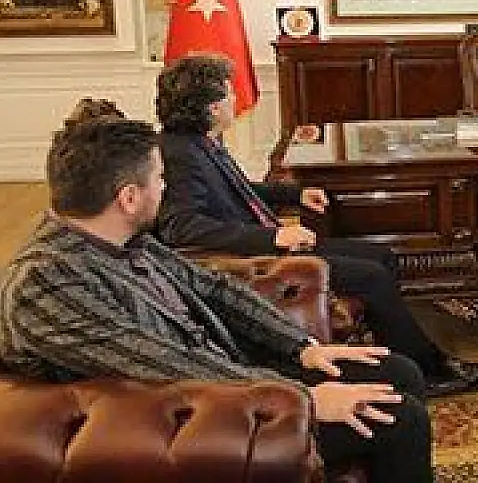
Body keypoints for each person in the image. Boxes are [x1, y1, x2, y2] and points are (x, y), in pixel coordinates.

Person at [0, 116, 435, 482]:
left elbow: (215, 288)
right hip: (185, 411)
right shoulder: (43, 282)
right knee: (402, 421)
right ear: (128, 198)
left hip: (225, 372)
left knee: (399, 371)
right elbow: (158, 362)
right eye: (160, 179)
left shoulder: (126, 239)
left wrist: (302, 347)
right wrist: (300, 398)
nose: (165, 188)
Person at [154, 54, 478, 397]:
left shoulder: (201, 142)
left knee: (382, 256)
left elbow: (241, 190)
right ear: (212, 107)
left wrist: (296, 194)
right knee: (371, 276)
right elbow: (181, 227)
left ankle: (391, 355)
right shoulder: (181, 154)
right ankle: (430, 371)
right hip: (250, 260)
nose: (235, 99)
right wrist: (274, 237)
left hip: (268, 243)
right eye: (229, 92)